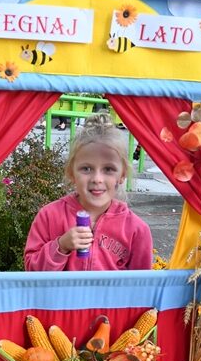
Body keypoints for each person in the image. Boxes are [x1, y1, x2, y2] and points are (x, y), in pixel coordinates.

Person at [24, 110, 153, 271]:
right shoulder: (49, 216)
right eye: (86, 168)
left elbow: (141, 283)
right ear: (71, 173)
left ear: (122, 175)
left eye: (108, 169)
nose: (97, 179)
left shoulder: (136, 230)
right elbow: (32, 272)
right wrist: (60, 246)